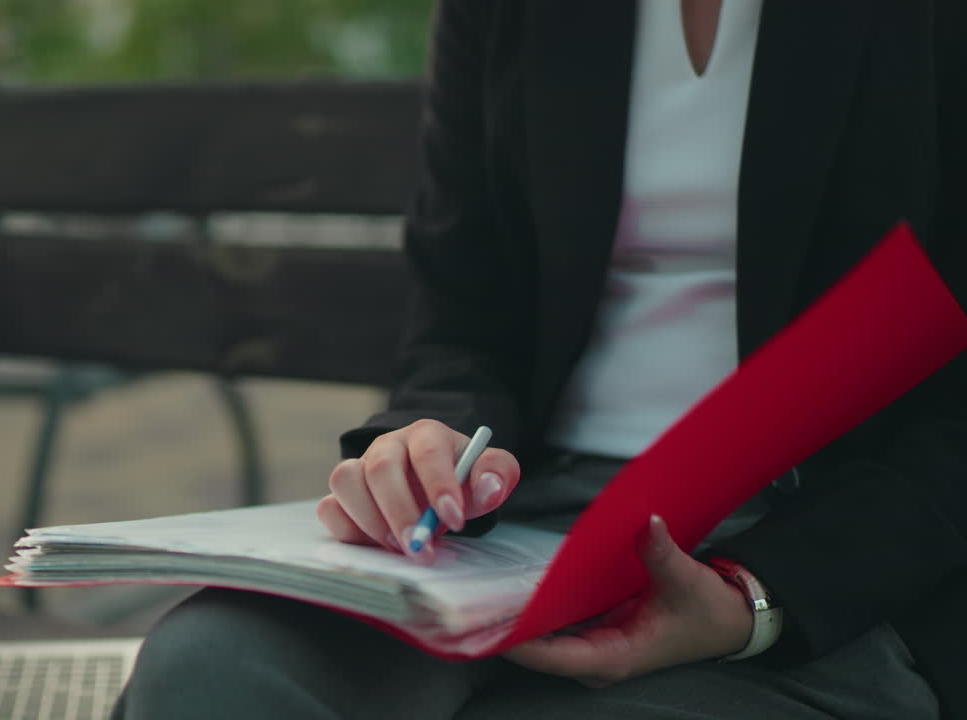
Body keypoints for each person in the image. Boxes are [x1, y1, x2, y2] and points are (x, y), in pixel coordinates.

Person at [114, 1, 966, 717]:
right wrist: (430, 442)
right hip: (523, 520)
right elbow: (460, 312)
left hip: (826, 545)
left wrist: (754, 597)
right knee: (211, 672)